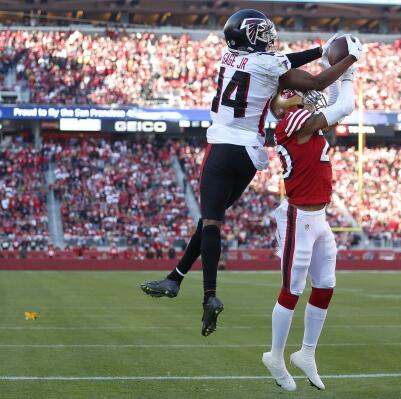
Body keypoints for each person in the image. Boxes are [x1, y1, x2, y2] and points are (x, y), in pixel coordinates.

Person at [140, 9, 363, 337]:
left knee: (211, 222)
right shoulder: (270, 67)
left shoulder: (229, 55)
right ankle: (174, 278)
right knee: (208, 221)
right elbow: (311, 79)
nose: (268, 40)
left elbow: (287, 68)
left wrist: (320, 52)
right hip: (250, 153)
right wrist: (346, 59)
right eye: (261, 35)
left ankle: (209, 296)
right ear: (249, 38)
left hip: (222, 145)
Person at [261, 61, 356, 391]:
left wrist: (332, 65)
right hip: (297, 218)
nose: (310, 102)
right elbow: (344, 104)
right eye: (302, 100)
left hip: (319, 217)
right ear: (291, 107)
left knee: (326, 284)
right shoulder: (292, 122)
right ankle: (275, 355)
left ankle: (306, 353)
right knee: (292, 290)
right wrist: (348, 71)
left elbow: (330, 101)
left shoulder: (303, 122)